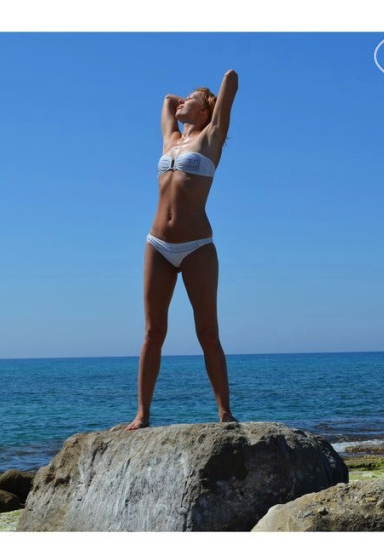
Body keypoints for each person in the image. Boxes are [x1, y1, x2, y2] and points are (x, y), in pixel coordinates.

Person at [125, 70, 239, 430]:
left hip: (197, 246)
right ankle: (142, 414)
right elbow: (167, 100)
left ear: (205, 111)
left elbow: (231, 81)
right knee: (152, 332)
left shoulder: (211, 137)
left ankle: (224, 413)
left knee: (207, 332)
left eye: (192, 99)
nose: (182, 102)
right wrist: (187, 102)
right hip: (157, 244)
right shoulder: (170, 139)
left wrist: (209, 97)